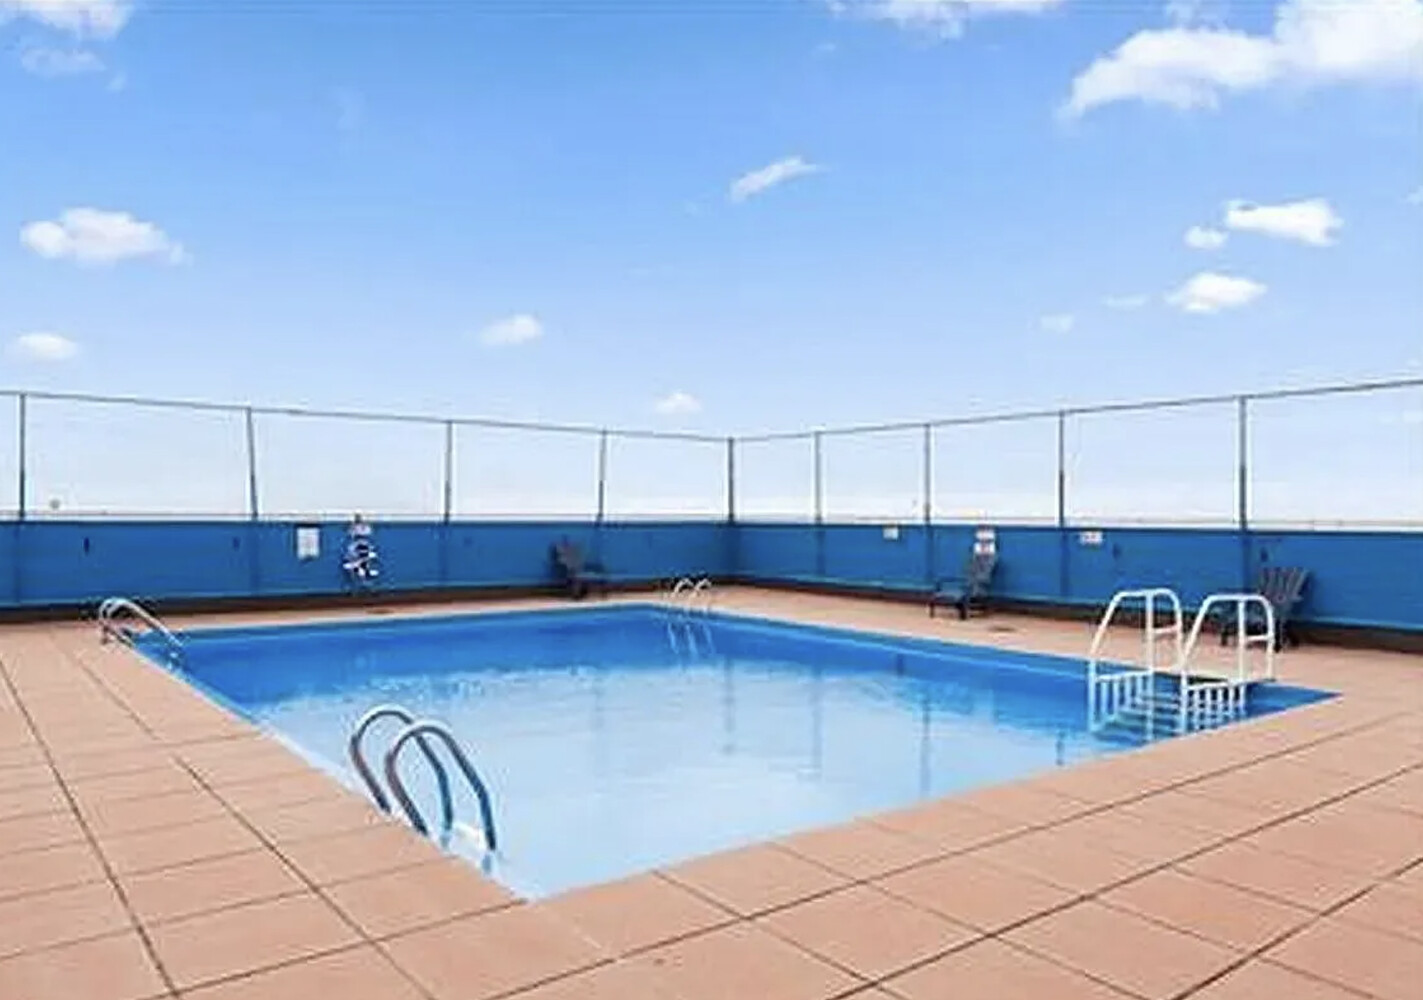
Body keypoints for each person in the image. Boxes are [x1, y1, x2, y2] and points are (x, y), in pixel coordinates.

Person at [343, 513, 379, 585]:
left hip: (363, 550)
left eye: (359, 519)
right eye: (357, 519)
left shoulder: (365, 528)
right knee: (354, 565)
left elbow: (368, 533)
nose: (358, 520)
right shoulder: (352, 530)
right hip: (355, 552)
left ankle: (365, 577)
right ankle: (358, 578)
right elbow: (351, 534)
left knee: (364, 563)